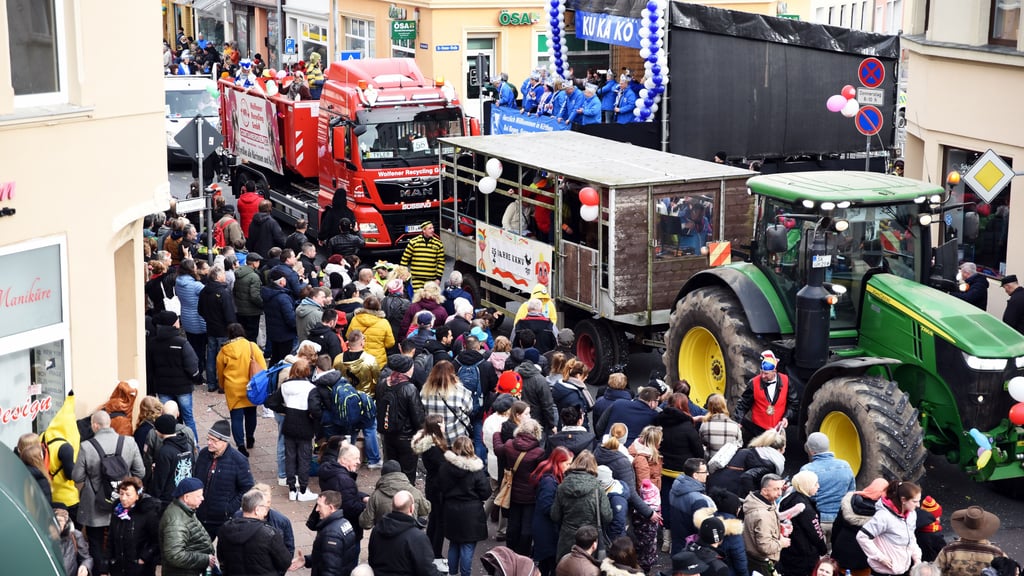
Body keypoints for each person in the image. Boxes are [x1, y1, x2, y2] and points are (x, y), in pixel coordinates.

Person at [72, 410, 147, 572]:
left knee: (96, 542)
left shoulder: (86, 447)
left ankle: (101, 571)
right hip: (123, 502)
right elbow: (141, 473)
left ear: (95, 425)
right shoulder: (129, 442)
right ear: (109, 424)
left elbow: (77, 476)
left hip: (95, 503)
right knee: (124, 540)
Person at [193, 420, 255, 539]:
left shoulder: (239, 460)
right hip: (201, 514)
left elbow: (247, 488)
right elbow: (196, 477)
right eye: (208, 439)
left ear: (224, 441)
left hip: (223, 519)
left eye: (213, 440)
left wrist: (229, 508)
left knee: (225, 553)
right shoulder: (203, 454)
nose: (209, 443)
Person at [495, 418, 547, 556]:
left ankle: (510, 552)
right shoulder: (539, 452)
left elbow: (497, 449)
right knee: (527, 528)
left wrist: (496, 434)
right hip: (530, 496)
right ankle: (523, 554)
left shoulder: (509, 445)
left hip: (512, 493)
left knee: (513, 525)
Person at [147, 310, 201, 440]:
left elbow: (150, 366)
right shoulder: (181, 343)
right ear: (172, 324)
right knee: (188, 417)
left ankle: (170, 442)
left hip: (163, 387)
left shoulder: (153, 343)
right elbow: (192, 364)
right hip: (182, 387)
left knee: (168, 417)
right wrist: (195, 377)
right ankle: (194, 445)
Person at [217, 488, 295, 576]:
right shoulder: (269, 534)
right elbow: (285, 562)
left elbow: (221, 559)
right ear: (257, 510)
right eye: (265, 507)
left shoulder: (225, 529)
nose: (267, 510)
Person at [552, 450, 613, 560]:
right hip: (589, 540)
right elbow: (607, 516)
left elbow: (555, 516)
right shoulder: (597, 488)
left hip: (567, 538)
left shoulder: (562, 486)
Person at [216, 323, 265, 456]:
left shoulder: (224, 351)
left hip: (233, 388)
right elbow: (263, 366)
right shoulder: (252, 346)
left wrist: (222, 385)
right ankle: (250, 437)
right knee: (251, 413)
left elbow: (220, 371)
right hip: (251, 386)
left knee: (236, 418)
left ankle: (240, 445)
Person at [856, 480, 923, 576]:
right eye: (915, 501)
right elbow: (862, 536)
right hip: (883, 572)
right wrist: (880, 557)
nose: (918, 505)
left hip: (902, 569)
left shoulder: (912, 515)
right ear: (903, 500)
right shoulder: (883, 517)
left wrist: (917, 558)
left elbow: (911, 538)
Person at [377, 354, 426, 482]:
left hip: (388, 435)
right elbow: (417, 416)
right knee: (407, 473)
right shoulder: (409, 388)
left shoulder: (383, 383)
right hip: (406, 438)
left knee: (391, 470)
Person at [368, 490, 441, 576]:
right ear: (411, 508)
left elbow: (372, 560)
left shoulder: (376, 530)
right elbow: (427, 571)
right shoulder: (417, 537)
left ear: (392, 507)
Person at [799, 432, 855, 541]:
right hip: (841, 520)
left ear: (810, 450)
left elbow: (803, 499)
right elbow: (851, 493)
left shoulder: (807, 469)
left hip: (819, 521)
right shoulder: (845, 465)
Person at [280, 357, 322, 501]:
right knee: (304, 458)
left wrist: (284, 409)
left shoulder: (285, 385)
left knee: (290, 457)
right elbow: (316, 410)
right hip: (305, 425)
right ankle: (303, 490)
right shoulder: (311, 388)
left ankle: (292, 489)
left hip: (289, 423)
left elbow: (271, 401)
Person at [734, 351, 797, 443]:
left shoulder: (786, 381)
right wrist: (738, 421)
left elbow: (794, 404)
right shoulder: (753, 383)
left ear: (774, 371)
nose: (763, 376)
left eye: (766, 373)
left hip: (777, 431)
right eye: (761, 372)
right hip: (758, 431)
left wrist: (786, 418)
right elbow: (743, 404)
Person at [412, 414, 449, 569]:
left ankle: (431, 550)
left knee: (434, 519)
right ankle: (436, 554)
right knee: (439, 521)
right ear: (438, 426)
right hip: (438, 488)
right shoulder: (433, 447)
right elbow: (442, 468)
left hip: (433, 485)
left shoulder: (430, 443)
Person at [104, 476, 161, 576]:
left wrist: (143, 558)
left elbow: (156, 540)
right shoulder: (117, 511)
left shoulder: (147, 513)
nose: (123, 498)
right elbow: (111, 538)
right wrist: (106, 563)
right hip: (119, 567)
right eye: (121, 494)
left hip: (140, 568)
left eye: (128, 495)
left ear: (137, 496)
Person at [831, 478, 889, 576]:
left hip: (842, 547)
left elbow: (836, 526)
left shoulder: (848, 501)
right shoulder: (882, 511)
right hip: (863, 555)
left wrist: (835, 545)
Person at [706, 428, 786, 498]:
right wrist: (754, 498)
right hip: (728, 493)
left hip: (713, 487)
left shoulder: (748, 451)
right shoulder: (769, 463)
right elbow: (747, 476)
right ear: (780, 449)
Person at [160, 477, 216, 576]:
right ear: (186, 497)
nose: (202, 498)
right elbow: (175, 555)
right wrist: (205, 559)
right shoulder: (176, 521)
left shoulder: (186, 510)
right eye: (199, 496)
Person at [532, 446, 575, 576]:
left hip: (544, 528)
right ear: (558, 461)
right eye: (567, 463)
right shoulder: (549, 482)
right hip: (546, 530)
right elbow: (546, 507)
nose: (569, 467)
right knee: (548, 565)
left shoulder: (550, 476)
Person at [777, 471, 827, 576]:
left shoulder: (788, 499)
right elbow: (815, 532)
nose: (818, 486)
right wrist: (823, 550)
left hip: (788, 552)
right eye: (815, 484)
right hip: (803, 556)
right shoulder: (806, 508)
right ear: (806, 486)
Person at [319, 441, 370, 543]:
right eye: (356, 458)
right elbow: (350, 507)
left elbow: (346, 494)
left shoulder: (331, 471)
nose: (359, 462)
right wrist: (370, 506)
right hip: (347, 531)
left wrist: (363, 497)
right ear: (343, 459)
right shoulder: (344, 480)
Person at [935, 505, 1006, 576]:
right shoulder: (996, 553)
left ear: (962, 525)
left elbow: (934, 571)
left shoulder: (949, 551)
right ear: (986, 527)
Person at [630, 426, 664, 572]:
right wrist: (651, 508)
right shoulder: (642, 459)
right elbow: (644, 486)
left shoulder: (646, 455)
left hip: (650, 502)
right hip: (647, 506)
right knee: (646, 540)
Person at [302, 490, 360, 576]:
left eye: (319, 506)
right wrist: (307, 561)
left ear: (331, 508)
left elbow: (330, 570)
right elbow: (332, 556)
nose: (317, 509)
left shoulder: (331, 535)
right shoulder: (344, 522)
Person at [360, 460, 431, 530]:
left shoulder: (375, 496)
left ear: (383, 475)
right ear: (400, 473)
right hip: (410, 535)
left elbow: (366, 523)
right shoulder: (414, 492)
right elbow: (426, 510)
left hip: (384, 537)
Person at [742, 474, 790, 576]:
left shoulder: (761, 502)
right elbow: (765, 547)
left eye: (781, 489)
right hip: (763, 563)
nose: (780, 493)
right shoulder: (762, 515)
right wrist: (781, 543)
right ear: (764, 491)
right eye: (776, 489)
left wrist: (778, 528)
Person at [420, 360, 474, 444]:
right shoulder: (460, 392)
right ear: (452, 374)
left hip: (434, 437)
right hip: (456, 436)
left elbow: (422, 411)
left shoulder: (424, 392)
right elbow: (469, 409)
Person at [151, 414, 197, 506]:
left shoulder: (165, 451)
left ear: (161, 431)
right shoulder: (186, 445)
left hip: (168, 500)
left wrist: (155, 499)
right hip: (185, 494)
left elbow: (160, 479)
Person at [668, 458, 712, 554]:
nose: (707, 474)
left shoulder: (675, 488)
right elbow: (702, 529)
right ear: (695, 475)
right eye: (705, 472)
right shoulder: (698, 500)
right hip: (690, 549)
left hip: (677, 542)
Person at [596, 387, 661, 446]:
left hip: (605, 444)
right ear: (652, 402)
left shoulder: (618, 403)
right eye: (658, 401)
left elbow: (600, 426)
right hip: (630, 452)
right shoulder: (654, 415)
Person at [348, 295, 395, 368]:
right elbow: (390, 343)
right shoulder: (384, 322)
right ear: (378, 307)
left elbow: (349, 336)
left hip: (358, 359)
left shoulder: (355, 319)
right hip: (377, 361)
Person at [262, 269, 298, 364]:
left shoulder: (267, 293)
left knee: (275, 358)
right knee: (284, 361)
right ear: (282, 281)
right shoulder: (283, 298)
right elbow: (291, 319)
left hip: (274, 333)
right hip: (285, 335)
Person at [400, 221, 445, 290]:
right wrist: (403, 274)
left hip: (431, 280)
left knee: (430, 299)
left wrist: (438, 279)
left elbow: (441, 262)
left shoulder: (438, 244)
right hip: (417, 279)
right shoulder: (413, 242)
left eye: (433, 228)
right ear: (424, 230)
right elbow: (404, 259)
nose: (432, 230)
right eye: (430, 228)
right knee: (418, 298)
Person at [698, 394, 741, 460]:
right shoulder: (735, 426)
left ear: (709, 406)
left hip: (710, 463)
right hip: (729, 463)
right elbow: (739, 444)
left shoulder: (705, 425)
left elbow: (701, 442)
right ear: (725, 406)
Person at [232, 252, 263, 341]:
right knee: (252, 337)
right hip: (252, 312)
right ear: (254, 263)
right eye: (258, 261)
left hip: (240, 310)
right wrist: (262, 304)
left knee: (241, 335)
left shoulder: (238, 272)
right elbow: (255, 296)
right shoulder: (254, 277)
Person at [56, 507, 93, 576]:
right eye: (55, 521)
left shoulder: (75, 536)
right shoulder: (45, 537)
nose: (57, 524)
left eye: (60, 521)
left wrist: (85, 567)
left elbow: (86, 558)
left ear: (66, 524)